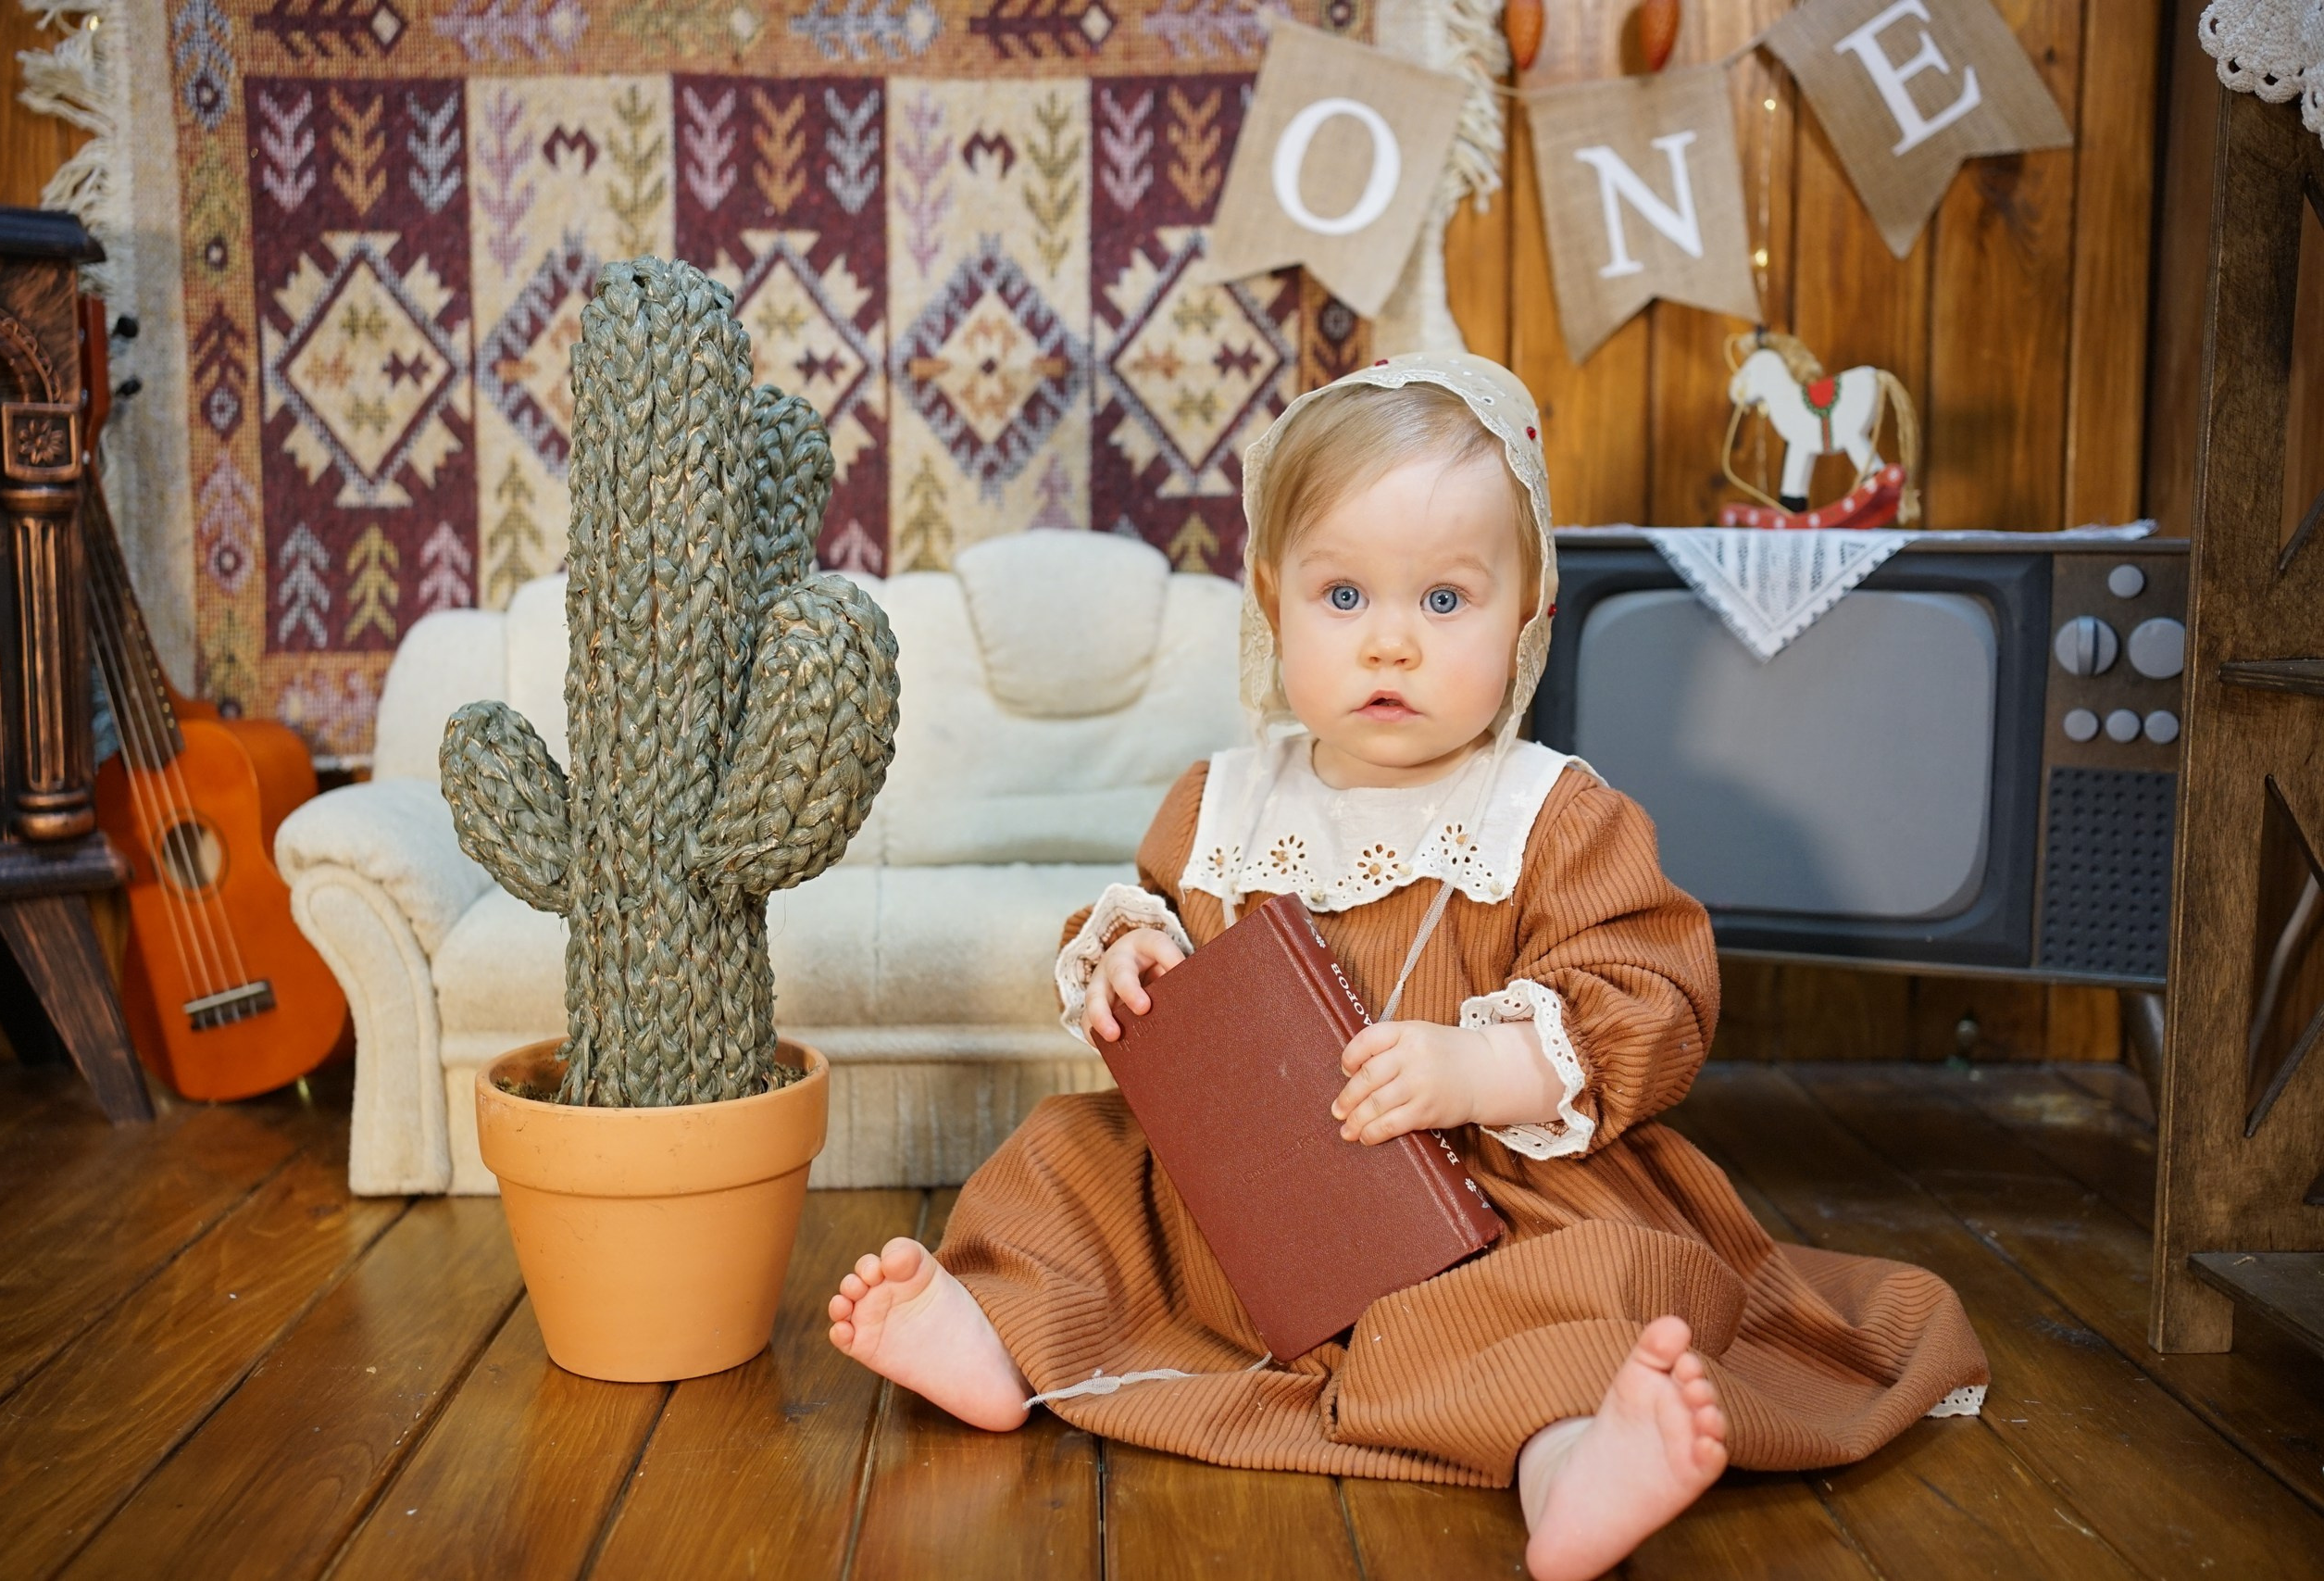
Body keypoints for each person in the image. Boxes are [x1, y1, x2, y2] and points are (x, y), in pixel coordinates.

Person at [828, 353, 1987, 1581]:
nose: (1390, 643)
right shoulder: (1223, 802)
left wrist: (1485, 1066)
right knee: (1066, 1158)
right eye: (1342, 598)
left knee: (1599, 1287)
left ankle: (1573, 1461)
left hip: (1485, 1211)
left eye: (1445, 602)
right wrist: (1134, 957)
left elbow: (1654, 993)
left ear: (1527, 609)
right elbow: (1153, 933)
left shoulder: (1554, 816)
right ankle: (1000, 1337)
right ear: (1270, 604)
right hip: (1240, 1207)